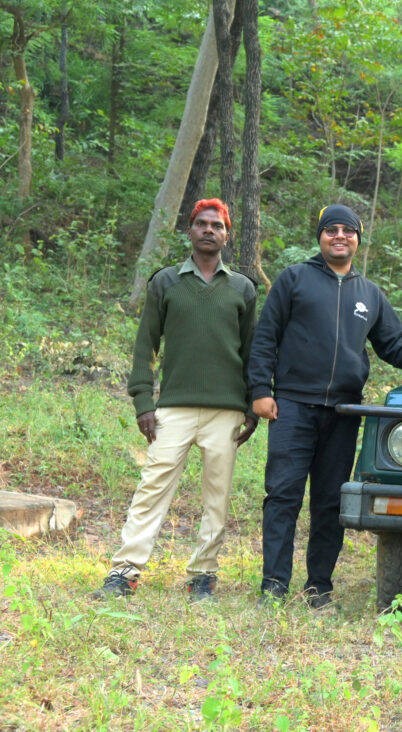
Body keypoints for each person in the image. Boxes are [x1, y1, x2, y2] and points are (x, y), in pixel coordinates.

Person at [248, 204, 402, 607]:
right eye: (331, 229)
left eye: (348, 230)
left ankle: (319, 586)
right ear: (319, 236)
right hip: (293, 406)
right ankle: (274, 585)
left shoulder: (369, 294)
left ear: (358, 239)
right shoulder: (293, 279)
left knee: (330, 501)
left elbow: (395, 347)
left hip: (344, 413)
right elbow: (265, 337)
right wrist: (261, 390)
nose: (339, 236)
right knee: (283, 495)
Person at [92, 199, 258, 602]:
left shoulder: (242, 288)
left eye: (216, 225)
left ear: (226, 234)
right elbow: (145, 346)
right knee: (152, 488)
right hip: (174, 408)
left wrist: (254, 404)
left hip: (226, 410)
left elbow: (253, 352)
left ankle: (203, 575)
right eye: (201, 224)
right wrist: (143, 402)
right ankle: (125, 571)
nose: (208, 230)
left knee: (216, 497)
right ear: (190, 231)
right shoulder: (166, 282)